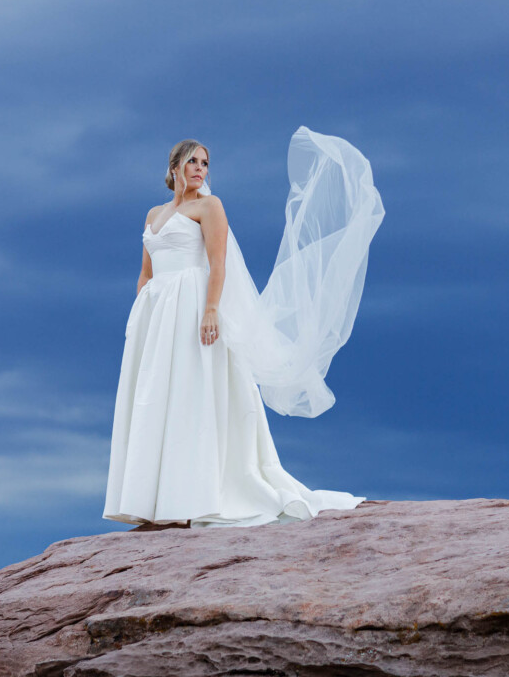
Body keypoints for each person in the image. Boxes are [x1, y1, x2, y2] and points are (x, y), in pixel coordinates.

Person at [103, 127, 384, 528]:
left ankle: (197, 496)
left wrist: (211, 309)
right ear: (174, 167)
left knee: (192, 393)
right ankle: (157, 501)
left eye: (205, 163)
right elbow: (145, 273)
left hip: (192, 305)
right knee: (155, 397)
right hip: (157, 315)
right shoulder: (153, 215)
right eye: (193, 162)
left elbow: (217, 263)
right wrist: (140, 316)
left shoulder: (210, 207)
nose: (200, 169)